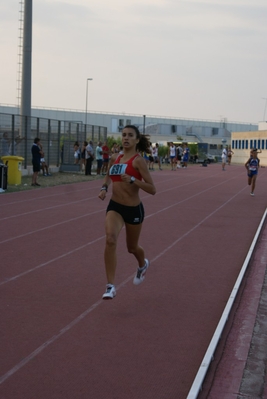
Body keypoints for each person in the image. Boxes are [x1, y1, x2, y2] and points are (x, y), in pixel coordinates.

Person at [98, 125, 156, 300]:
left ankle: (142, 265)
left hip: (133, 209)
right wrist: (104, 187)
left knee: (132, 248)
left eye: (130, 135)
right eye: (124, 135)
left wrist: (133, 180)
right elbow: (108, 174)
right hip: (115, 206)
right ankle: (110, 286)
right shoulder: (116, 157)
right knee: (110, 239)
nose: (126, 138)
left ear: (137, 140)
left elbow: (152, 189)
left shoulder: (139, 161)